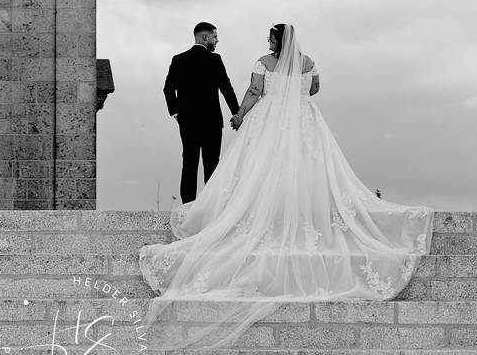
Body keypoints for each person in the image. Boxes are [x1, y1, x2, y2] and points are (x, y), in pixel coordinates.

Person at [140, 24, 433, 350]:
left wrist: (240, 115)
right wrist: (295, 97)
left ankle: (240, 214)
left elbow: (254, 91)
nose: (268, 42)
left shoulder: (264, 61)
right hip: (304, 120)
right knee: (306, 173)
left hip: (268, 122)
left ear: (277, 41)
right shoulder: (308, 62)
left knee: (260, 173)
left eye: (271, 37)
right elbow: (316, 88)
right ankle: (297, 219)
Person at [163, 22, 240, 203]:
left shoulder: (178, 59)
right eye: (214, 37)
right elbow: (226, 89)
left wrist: (176, 113)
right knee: (212, 164)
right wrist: (237, 113)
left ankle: (187, 206)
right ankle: (209, 206)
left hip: (187, 121)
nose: (217, 40)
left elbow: (167, 89)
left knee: (189, 163)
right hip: (212, 121)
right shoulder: (215, 60)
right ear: (205, 37)